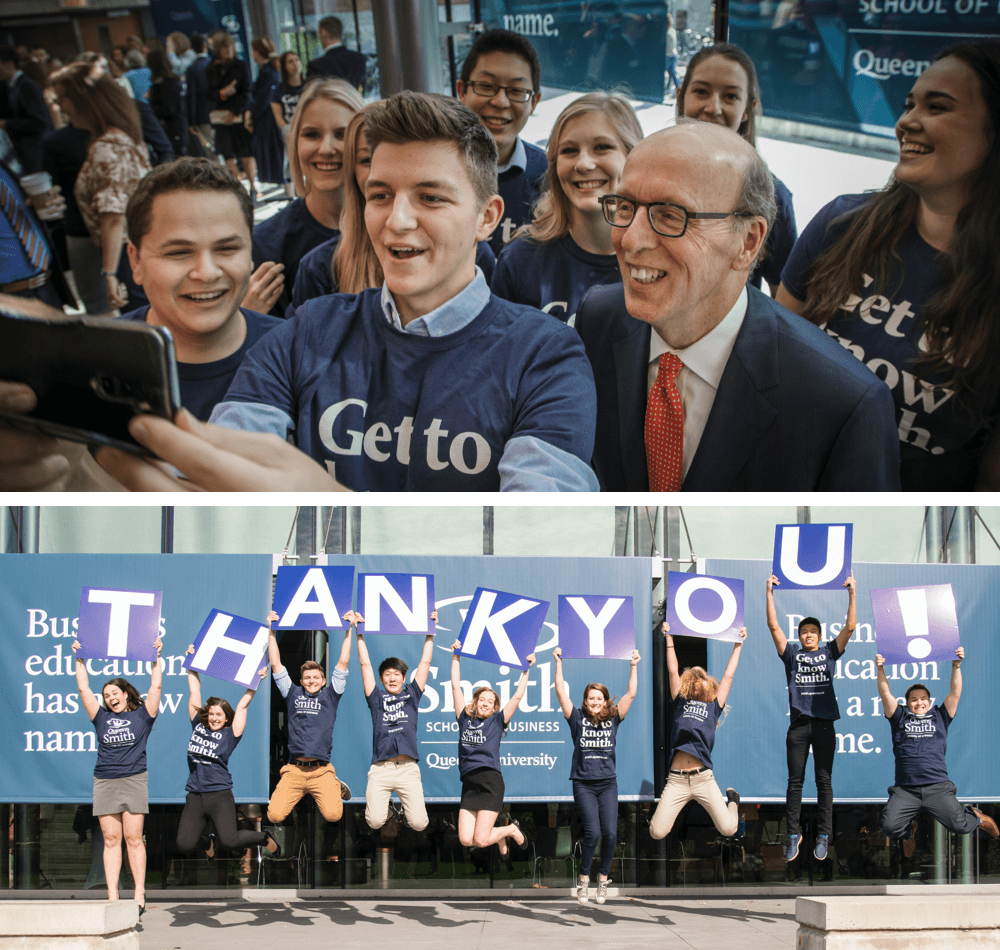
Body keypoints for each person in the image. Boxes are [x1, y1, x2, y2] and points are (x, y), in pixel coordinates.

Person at [207, 91, 599, 491]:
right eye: (380, 196)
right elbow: (223, 481)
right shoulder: (306, 331)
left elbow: (539, 535)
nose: (397, 220)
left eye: (430, 197)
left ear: (487, 217)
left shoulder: (546, 357)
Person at [574, 121, 901, 492]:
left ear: (748, 241)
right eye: (625, 206)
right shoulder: (598, 319)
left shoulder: (844, 404)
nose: (630, 239)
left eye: (670, 215)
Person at [777, 40, 1000, 492]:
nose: (906, 122)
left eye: (937, 107)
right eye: (909, 104)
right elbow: (770, 361)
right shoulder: (841, 224)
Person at [291, 109, 495, 307]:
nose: (398, 221)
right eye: (367, 160)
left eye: (431, 198)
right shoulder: (319, 268)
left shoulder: (474, 251)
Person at [491, 92, 641, 324]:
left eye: (602, 147)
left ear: (633, 158)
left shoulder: (654, 260)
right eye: (569, 151)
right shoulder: (520, 260)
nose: (583, 164)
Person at [675, 43, 797, 295]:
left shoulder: (773, 197)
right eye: (701, 91)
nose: (713, 108)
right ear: (680, 96)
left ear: (747, 110)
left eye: (730, 96)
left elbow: (782, 299)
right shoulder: (647, 177)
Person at [250, 77, 364, 315]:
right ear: (295, 142)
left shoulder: (389, 229)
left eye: (342, 134)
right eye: (312, 135)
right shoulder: (268, 243)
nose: (326, 149)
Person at [766, 569, 856, 861]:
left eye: (813, 632)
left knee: (824, 781)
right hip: (799, 726)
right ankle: (793, 835)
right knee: (795, 782)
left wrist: (852, 592)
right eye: (804, 632)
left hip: (825, 725)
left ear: (819, 636)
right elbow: (773, 626)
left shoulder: (829, 652)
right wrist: (769, 592)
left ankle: (823, 835)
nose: (808, 635)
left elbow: (851, 627)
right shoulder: (792, 655)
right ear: (800, 636)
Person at [71, 635, 162, 912]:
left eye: (115, 694)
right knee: (111, 840)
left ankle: (139, 894)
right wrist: (79, 660)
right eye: (107, 696)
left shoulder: (143, 715)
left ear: (125, 694)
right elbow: (84, 688)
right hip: (105, 781)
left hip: (134, 780)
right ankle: (112, 897)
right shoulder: (101, 718)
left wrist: (157, 656)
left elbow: (156, 684)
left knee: (134, 839)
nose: (111, 699)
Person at [51, 61, 150, 313]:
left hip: (125, 256)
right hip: (135, 249)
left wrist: (109, 273)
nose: (59, 106)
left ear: (83, 100)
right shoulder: (124, 137)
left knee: (134, 325)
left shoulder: (106, 147)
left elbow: (113, 217)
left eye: (62, 98)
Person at [875, 648, 999, 843]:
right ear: (907, 703)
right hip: (906, 789)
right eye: (914, 699)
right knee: (889, 827)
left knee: (960, 826)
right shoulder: (899, 717)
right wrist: (880, 669)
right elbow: (885, 693)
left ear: (929, 701)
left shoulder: (940, 716)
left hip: (937, 787)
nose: (919, 702)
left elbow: (955, 693)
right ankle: (910, 830)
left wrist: (956, 666)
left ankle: (975, 816)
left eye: (923, 698)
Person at [553, 644, 639, 904]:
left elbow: (631, 694)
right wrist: (558, 662)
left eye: (599, 698)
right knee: (593, 833)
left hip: (607, 784)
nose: (594, 701)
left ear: (605, 700)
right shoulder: (576, 718)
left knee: (611, 834)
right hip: (583, 783)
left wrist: (634, 666)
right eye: (591, 698)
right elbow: (560, 691)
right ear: (586, 700)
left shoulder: (613, 718)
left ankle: (602, 880)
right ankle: (583, 880)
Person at [177, 643, 281, 858]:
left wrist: (256, 681)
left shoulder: (230, 735)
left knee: (230, 840)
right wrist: (191, 664)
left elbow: (242, 706)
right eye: (212, 713)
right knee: (184, 844)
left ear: (226, 718)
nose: (215, 718)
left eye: (220, 715)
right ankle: (207, 841)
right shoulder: (197, 724)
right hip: (195, 795)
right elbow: (194, 690)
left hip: (220, 795)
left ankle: (264, 837)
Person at [648, 622, 744, 843]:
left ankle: (733, 801)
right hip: (676, 780)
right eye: (695, 677)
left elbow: (728, 676)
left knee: (729, 829)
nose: (700, 679)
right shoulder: (680, 702)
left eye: (703, 677)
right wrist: (669, 637)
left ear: (709, 686)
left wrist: (738, 644)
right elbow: (673, 670)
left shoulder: (714, 707)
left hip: (703, 779)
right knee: (657, 832)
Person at [458, 29, 546, 256]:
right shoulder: (433, 168)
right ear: (462, 91)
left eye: (517, 91)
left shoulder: (548, 175)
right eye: (487, 86)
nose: (500, 101)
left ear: (534, 102)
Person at [266, 609, 353, 826]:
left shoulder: (330, 696)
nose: (312, 680)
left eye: (316, 677)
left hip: (321, 772)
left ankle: (334, 784)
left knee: (334, 815)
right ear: (301, 681)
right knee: (274, 816)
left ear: (323, 681)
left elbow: (342, 664)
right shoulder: (292, 693)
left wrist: (349, 629)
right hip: (294, 771)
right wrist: (271, 630)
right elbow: (276, 665)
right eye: (307, 677)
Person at [354, 608, 436, 833]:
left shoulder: (412, 694)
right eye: (387, 674)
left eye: (396, 674)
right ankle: (390, 809)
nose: (392, 677)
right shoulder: (376, 698)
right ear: (381, 679)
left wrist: (431, 632)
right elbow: (365, 665)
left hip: (408, 769)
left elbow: (426, 661)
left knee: (420, 824)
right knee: (375, 822)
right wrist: (358, 633)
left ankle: (400, 810)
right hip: (381, 769)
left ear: (403, 677)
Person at [450, 641, 531, 856]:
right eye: (482, 699)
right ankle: (503, 832)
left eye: (490, 701)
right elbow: (455, 686)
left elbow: (517, 697)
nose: (486, 703)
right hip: (469, 783)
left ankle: (510, 829)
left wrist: (526, 670)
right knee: (466, 839)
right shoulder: (464, 719)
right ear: (475, 703)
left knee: (482, 839)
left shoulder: (497, 721)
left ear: (494, 707)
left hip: (490, 782)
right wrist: (456, 656)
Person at [206, 32, 257, 196]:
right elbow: (208, 94)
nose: (228, 50)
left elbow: (247, 91)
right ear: (217, 50)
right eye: (224, 47)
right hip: (220, 118)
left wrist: (233, 111)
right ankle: (238, 188)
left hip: (239, 114)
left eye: (230, 46)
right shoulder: (211, 68)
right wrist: (222, 93)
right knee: (227, 153)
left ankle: (253, 186)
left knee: (246, 152)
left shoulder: (241, 65)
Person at [0, 44, 53, 173]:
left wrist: (6, 124)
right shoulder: (11, 86)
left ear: (9, 64)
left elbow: (38, 121)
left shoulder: (26, 85)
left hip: (37, 152)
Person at [245, 38, 283, 198]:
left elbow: (262, 99)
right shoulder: (267, 71)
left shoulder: (268, 73)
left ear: (259, 52)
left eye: (253, 50)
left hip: (267, 121)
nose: (252, 54)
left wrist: (251, 115)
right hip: (265, 119)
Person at [306, 16, 367, 91]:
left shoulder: (316, 66)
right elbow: (363, 89)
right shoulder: (359, 58)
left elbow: (311, 96)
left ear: (323, 32)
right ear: (341, 33)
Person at [146, 49, 187, 158]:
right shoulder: (162, 83)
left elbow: (169, 108)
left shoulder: (167, 84)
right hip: (173, 128)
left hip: (173, 128)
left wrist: (150, 110)